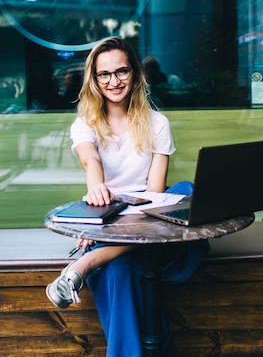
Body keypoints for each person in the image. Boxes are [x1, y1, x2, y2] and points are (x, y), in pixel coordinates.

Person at [45, 37, 208, 356]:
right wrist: (96, 186)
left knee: (186, 191)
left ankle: (85, 265)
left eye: (121, 71)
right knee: (119, 275)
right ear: (93, 80)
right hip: (109, 226)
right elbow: (90, 159)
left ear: (134, 73)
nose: (113, 81)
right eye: (103, 74)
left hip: (149, 224)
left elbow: (155, 193)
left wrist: (103, 247)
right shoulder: (85, 125)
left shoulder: (157, 123)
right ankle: (102, 260)